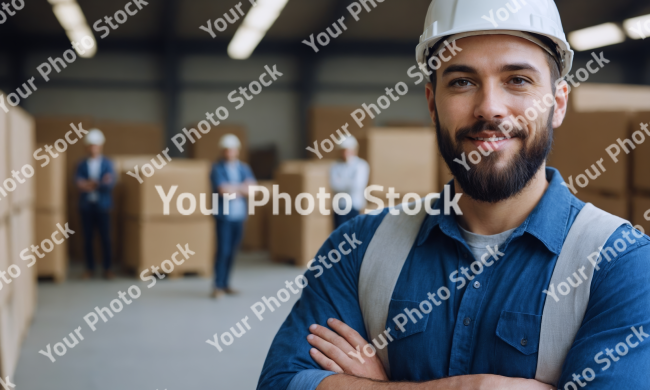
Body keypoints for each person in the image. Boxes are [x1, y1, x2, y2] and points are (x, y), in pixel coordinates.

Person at [257, 0, 650, 389]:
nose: (490, 109)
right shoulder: (357, 247)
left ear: (558, 103)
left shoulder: (623, 264)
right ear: (432, 104)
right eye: (462, 81)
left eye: (518, 80)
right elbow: (283, 382)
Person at [210, 134, 256, 299]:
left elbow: (252, 189)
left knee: (233, 251)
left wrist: (233, 189)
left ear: (237, 151)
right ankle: (217, 285)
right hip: (224, 217)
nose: (229, 152)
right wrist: (241, 188)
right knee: (223, 250)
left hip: (239, 216)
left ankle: (226, 284)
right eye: (227, 150)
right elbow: (222, 191)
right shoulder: (217, 168)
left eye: (232, 149)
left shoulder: (243, 168)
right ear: (223, 151)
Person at [75, 129, 116, 280]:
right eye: (91, 145)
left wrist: (91, 184)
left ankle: (107, 268)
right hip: (86, 206)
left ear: (101, 146)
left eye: (96, 145)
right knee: (87, 239)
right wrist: (98, 182)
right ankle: (89, 268)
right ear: (87, 147)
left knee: (105, 238)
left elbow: (109, 184)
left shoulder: (107, 163)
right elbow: (78, 183)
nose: (93, 148)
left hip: (103, 206)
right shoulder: (81, 164)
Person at [329, 136, 369, 229]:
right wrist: (349, 182)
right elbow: (334, 185)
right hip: (339, 206)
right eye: (342, 150)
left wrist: (342, 182)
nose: (344, 153)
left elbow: (357, 185)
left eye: (346, 150)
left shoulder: (361, 165)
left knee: (353, 234)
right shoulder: (335, 166)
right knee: (339, 235)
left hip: (355, 206)